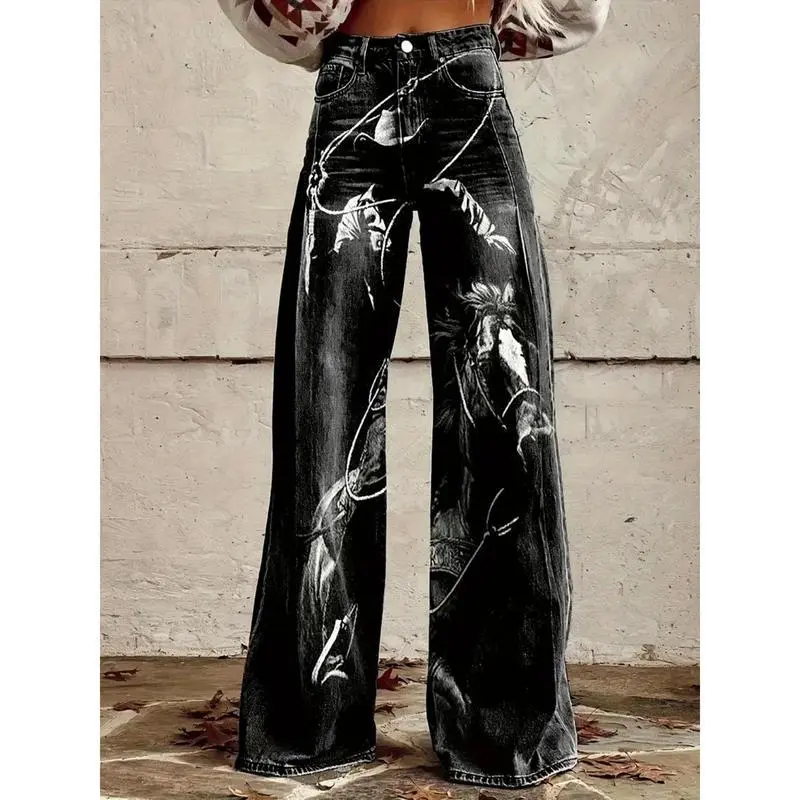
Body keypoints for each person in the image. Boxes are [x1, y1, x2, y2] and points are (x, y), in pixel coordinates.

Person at [216, 0, 610, 790]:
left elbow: (580, 9)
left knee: (505, 415)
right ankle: (308, 726)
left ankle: (503, 728)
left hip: (467, 82)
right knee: (324, 408)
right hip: (351, 88)